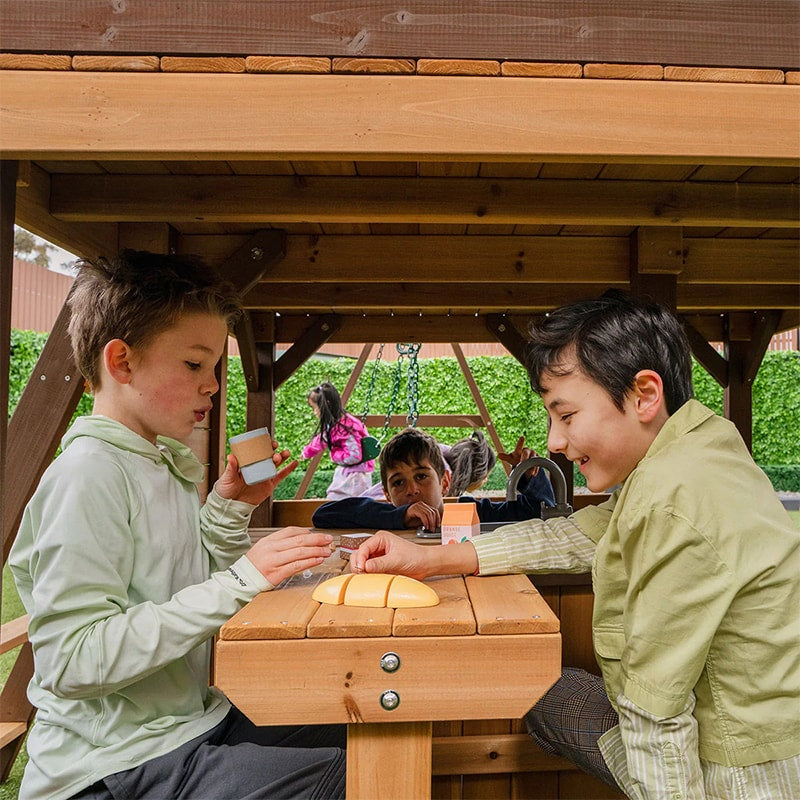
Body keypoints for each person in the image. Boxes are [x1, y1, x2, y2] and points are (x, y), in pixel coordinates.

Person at [350, 290, 800, 799]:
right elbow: (579, 534)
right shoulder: (698, 452)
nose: (554, 442)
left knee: (552, 694)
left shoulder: (672, 501)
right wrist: (431, 558)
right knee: (552, 691)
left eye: (565, 416)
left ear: (644, 395)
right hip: (764, 738)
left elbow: (657, 717)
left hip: (738, 776)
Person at [9, 250, 346, 800]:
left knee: (356, 718)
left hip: (183, 727)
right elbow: (72, 659)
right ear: (122, 362)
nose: (212, 385)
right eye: (194, 365)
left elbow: (187, 584)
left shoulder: (157, 461)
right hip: (112, 767)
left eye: (213, 366)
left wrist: (227, 507)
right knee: (346, 775)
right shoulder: (89, 474)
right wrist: (242, 581)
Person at [312, 426, 555, 530]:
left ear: (445, 482)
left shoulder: (471, 513)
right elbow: (323, 515)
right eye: (398, 482)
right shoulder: (382, 518)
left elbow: (538, 512)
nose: (412, 489)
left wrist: (529, 478)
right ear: (386, 493)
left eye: (421, 476)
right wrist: (399, 517)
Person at [301, 381, 375, 499]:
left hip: (356, 476)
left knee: (340, 502)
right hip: (348, 472)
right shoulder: (336, 425)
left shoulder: (346, 428)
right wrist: (307, 451)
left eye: (315, 408)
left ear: (327, 405)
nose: (315, 413)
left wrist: (335, 455)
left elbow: (355, 456)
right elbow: (322, 438)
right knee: (334, 498)